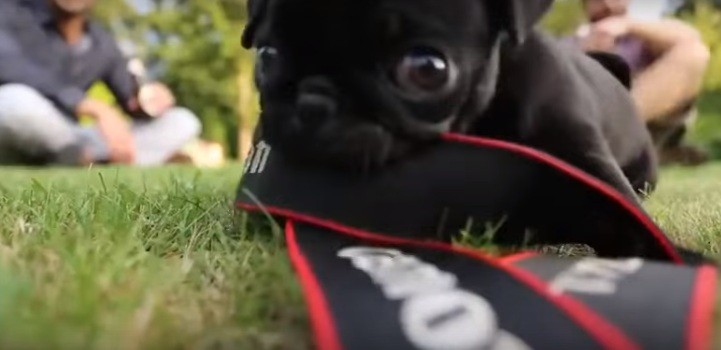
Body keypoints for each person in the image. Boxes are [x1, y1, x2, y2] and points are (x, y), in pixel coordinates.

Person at [0, 0, 203, 166]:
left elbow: (129, 96)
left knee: (183, 121)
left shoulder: (102, 42)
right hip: (24, 129)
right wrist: (86, 105)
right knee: (11, 101)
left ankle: (85, 158)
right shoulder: (11, 12)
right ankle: (82, 157)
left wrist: (148, 101)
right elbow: (8, 65)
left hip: (75, 137)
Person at [568, 0, 712, 165]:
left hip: (649, 126)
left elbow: (691, 40)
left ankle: (611, 134)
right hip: (586, 119)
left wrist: (628, 25)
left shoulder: (646, 36)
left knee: (693, 53)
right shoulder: (569, 44)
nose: (606, 4)